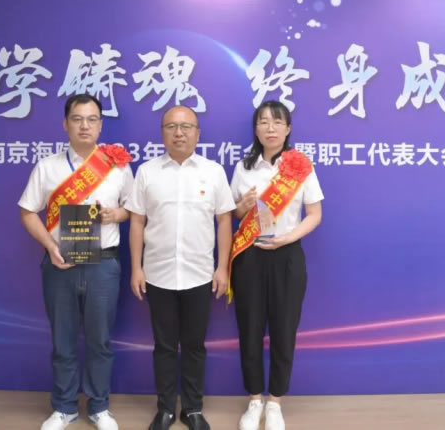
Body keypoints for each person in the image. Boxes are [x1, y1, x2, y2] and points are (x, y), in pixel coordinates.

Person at [18, 94, 133, 430]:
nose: (85, 125)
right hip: (60, 264)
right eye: (77, 119)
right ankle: (64, 407)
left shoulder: (117, 166)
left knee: (100, 341)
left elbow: (133, 209)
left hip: (103, 265)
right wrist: (50, 245)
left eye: (92, 119)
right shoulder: (47, 167)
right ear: (65, 123)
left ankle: (99, 407)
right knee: (63, 341)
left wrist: (115, 215)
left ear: (100, 124)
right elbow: (28, 212)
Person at [125, 105, 235, 430]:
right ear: (162, 133)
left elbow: (224, 220)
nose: (179, 133)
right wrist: (136, 268)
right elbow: (136, 222)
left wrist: (223, 268)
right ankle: (164, 409)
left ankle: (193, 408)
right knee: (163, 346)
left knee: (195, 345)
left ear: (197, 133)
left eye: (186, 127)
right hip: (157, 274)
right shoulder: (147, 172)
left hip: (200, 274)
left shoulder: (213, 172)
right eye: (171, 126)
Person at [229, 100, 323, 430]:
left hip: (287, 256)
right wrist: (242, 206)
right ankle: (254, 399)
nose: (270, 128)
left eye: (277, 122)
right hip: (250, 256)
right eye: (264, 122)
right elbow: (234, 214)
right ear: (255, 129)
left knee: (284, 330)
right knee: (250, 329)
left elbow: (315, 214)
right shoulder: (244, 167)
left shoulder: (300, 166)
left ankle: (275, 402)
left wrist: (287, 238)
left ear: (288, 129)